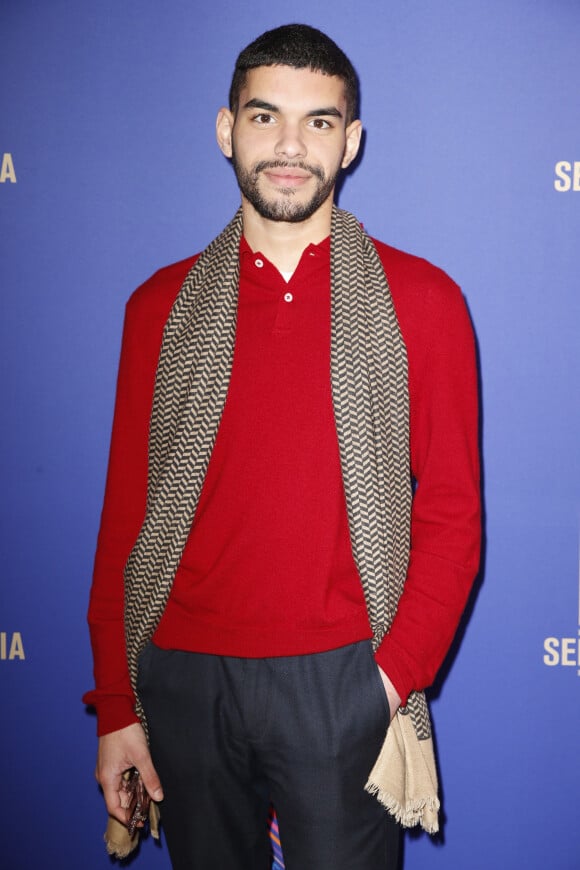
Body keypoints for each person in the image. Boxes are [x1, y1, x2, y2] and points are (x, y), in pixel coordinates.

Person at [84, 23, 480, 870]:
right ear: (226, 129)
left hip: (341, 679)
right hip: (183, 681)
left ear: (353, 140)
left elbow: (451, 514)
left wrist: (386, 681)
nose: (291, 146)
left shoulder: (424, 301)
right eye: (266, 119)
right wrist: (119, 703)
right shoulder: (159, 306)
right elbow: (127, 519)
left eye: (321, 122)